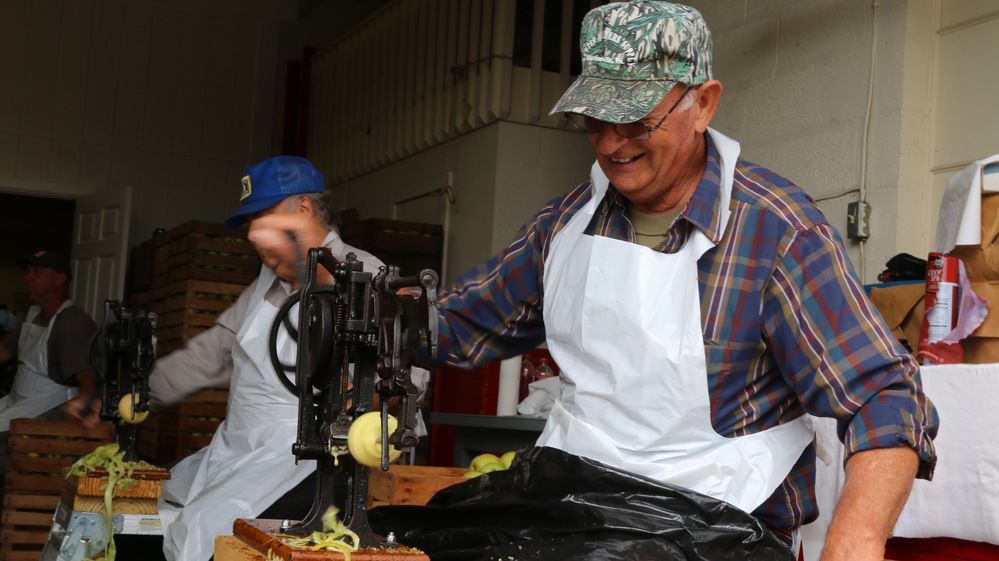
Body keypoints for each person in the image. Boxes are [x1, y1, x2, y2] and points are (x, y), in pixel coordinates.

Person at [253, 3, 938, 560]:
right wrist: (372, 311)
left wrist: (857, 536)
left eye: (636, 120)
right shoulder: (567, 224)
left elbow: (880, 391)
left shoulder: (774, 231)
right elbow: (460, 323)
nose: (611, 143)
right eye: (593, 120)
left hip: (713, 527)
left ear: (703, 102)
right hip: (573, 506)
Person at [147, 156, 384, 561]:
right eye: (251, 225)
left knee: (205, 533)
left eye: (265, 218)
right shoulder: (268, 279)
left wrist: (362, 409)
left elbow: (397, 383)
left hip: (300, 463)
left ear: (304, 208)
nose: (256, 235)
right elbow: (214, 352)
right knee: (165, 510)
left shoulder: (362, 276)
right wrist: (144, 389)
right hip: (237, 448)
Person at [0, 250, 98, 490]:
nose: (28, 278)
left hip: (46, 407)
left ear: (59, 279)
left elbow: (88, 374)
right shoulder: (31, 315)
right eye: (28, 271)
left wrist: (84, 399)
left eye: (37, 272)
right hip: (18, 400)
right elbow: (3, 352)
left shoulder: (72, 322)